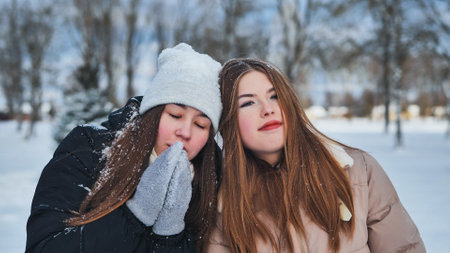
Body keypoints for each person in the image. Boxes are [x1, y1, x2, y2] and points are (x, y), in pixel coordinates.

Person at [206, 58, 426, 252]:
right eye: (248, 102)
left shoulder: (357, 171)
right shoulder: (222, 200)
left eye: (275, 96)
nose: (268, 109)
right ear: (228, 122)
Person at [26, 43, 223, 252]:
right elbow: (44, 246)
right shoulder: (88, 149)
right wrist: (135, 217)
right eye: (175, 115)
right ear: (152, 114)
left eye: (201, 125)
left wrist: (170, 235)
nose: (185, 132)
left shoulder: (210, 182)